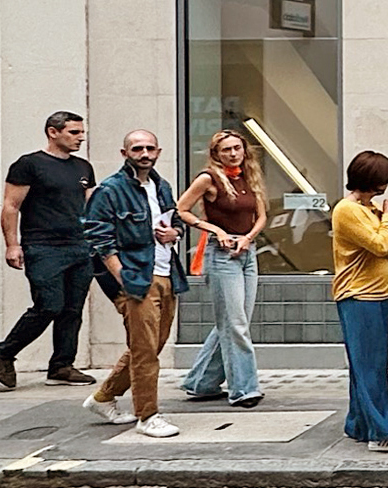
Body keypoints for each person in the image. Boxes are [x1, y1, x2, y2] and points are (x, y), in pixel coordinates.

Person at [81, 129, 190, 438]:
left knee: (152, 343)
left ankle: (103, 397)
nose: (144, 153)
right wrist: (123, 277)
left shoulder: (162, 186)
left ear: (158, 151)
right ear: (124, 153)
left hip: (167, 272)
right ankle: (148, 416)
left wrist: (175, 234)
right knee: (145, 351)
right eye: (137, 148)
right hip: (138, 276)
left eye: (149, 148)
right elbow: (98, 238)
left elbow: (176, 221)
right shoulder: (110, 190)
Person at [0, 110, 98, 390]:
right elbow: (11, 206)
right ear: (53, 132)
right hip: (43, 246)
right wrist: (12, 245)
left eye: (81, 132)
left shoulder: (83, 167)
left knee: (72, 309)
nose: (80, 138)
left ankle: (62, 365)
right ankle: (3, 353)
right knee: (49, 305)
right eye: (74, 132)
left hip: (79, 245)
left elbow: (91, 206)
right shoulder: (29, 165)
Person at [174, 128, 267, 407]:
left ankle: (200, 382)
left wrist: (249, 238)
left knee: (234, 322)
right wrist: (214, 229)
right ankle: (244, 389)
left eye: (237, 148)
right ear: (216, 154)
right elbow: (181, 209)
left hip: (247, 252)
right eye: (226, 149)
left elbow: (261, 216)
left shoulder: (249, 176)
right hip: (222, 254)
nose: (233, 153)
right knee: (235, 324)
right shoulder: (209, 179)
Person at [329, 149, 388, 453]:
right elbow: (381, 245)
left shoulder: (369, 210)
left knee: (367, 364)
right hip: (358, 296)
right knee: (370, 368)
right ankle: (382, 433)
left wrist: (384, 223)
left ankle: (358, 424)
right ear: (372, 181)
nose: (387, 186)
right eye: (384, 180)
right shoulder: (347, 210)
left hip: (378, 294)